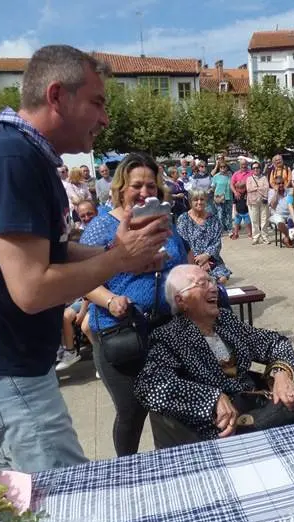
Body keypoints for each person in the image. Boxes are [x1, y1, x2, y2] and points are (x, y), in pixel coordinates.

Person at [0, 46, 170, 472]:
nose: (105, 118)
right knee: (66, 500)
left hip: (3, 366)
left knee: (16, 499)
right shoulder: (12, 160)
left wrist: (115, 255)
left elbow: (53, 251)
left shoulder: (20, 155)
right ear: (57, 96)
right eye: (97, 103)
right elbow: (31, 289)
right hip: (4, 368)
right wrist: (118, 259)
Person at [135, 264, 294, 441]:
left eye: (211, 280)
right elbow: (150, 385)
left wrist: (281, 374)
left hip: (256, 402)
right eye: (202, 284)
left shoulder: (225, 321)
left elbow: (273, 342)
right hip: (221, 425)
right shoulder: (169, 336)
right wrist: (211, 398)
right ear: (181, 300)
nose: (213, 287)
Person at [81, 152, 187, 456]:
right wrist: (111, 299)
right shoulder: (102, 227)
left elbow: (181, 259)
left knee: (170, 405)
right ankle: (126, 470)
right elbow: (85, 281)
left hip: (167, 331)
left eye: (150, 186)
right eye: (136, 185)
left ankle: (167, 464)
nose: (144, 192)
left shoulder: (166, 221)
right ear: (120, 189)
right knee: (132, 413)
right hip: (123, 333)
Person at [177, 188, 233, 284]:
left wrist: (206, 256)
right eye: (196, 200)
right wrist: (197, 262)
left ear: (206, 201)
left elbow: (216, 243)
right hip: (189, 260)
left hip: (211, 259)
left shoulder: (214, 219)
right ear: (190, 202)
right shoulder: (183, 219)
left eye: (202, 199)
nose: (199, 202)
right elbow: (182, 244)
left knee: (222, 279)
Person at [245, 161, 270, 244]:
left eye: (257, 167)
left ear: (260, 169)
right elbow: (249, 189)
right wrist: (260, 188)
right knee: (254, 220)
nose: (256, 169)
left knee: (264, 220)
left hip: (263, 201)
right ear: (252, 169)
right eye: (254, 168)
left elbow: (266, 188)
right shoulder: (249, 178)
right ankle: (255, 237)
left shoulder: (264, 178)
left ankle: (264, 237)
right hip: (252, 201)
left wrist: (255, 188)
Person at [211, 159, 233, 231]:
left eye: (224, 167)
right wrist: (217, 195)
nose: (223, 168)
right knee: (220, 215)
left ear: (227, 167)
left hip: (228, 197)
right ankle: (221, 229)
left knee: (229, 214)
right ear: (219, 168)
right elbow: (213, 187)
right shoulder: (216, 176)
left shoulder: (230, 176)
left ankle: (229, 228)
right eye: (221, 167)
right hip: (219, 198)